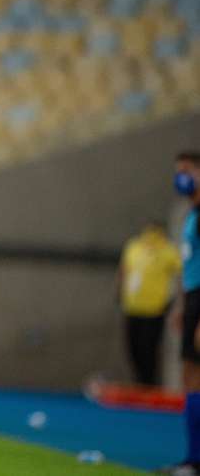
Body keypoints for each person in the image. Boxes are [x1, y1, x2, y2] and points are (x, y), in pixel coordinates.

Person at [162, 151, 200, 475]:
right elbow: (188, 265)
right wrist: (180, 305)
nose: (181, 177)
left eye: (186, 170)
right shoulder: (191, 215)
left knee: (196, 374)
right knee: (190, 375)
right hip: (191, 298)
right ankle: (192, 457)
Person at [116, 221, 181, 386]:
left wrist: (175, 301)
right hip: (132, 307)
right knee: (133, 348)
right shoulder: (134, 247)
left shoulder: (168, 250)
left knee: (149, 349)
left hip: (154, 309)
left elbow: (182, 273)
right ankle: (140, 382)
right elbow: (124, 270)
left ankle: (149, 383)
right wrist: (120, 291)